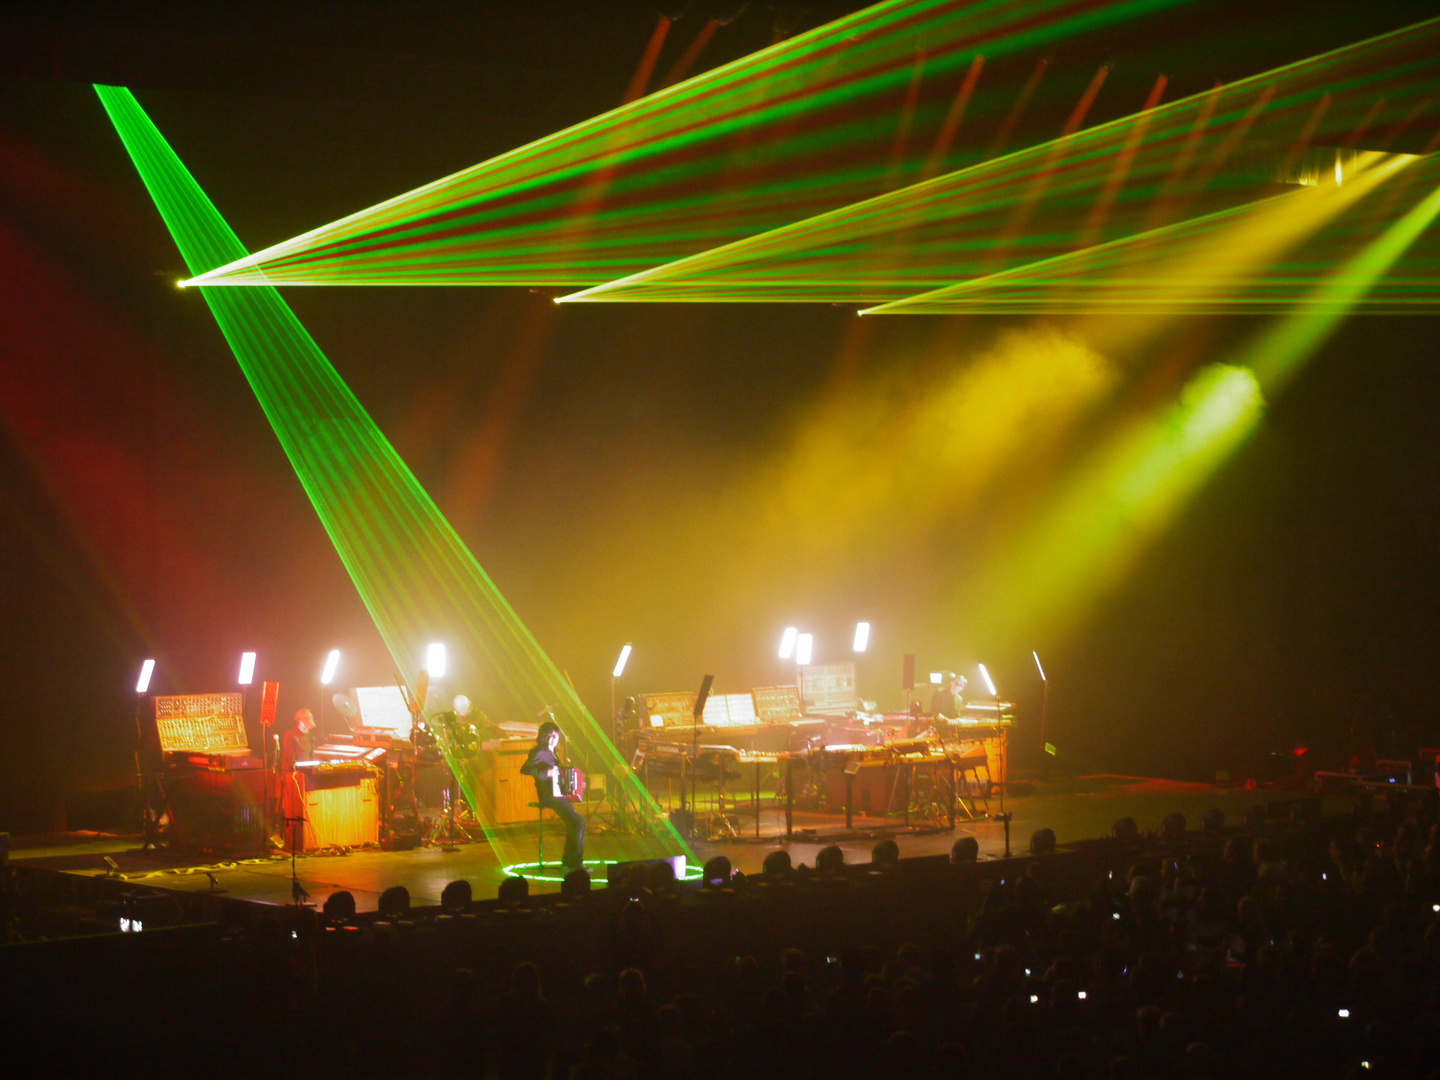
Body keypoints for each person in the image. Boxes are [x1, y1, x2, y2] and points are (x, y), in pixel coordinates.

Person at [519, 719, 585, 871]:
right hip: (549, 795)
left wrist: (575, 785)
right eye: (552, 736)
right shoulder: (539, 752)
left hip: (556, 793)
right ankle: (573, 863)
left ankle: (570, 861)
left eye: (556, 736)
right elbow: (525, 769)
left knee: (575, 823)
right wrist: (546, 773)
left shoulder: (551, 753)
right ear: (545, 736)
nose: (555, 739)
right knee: (577, 823)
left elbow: (559, 774)